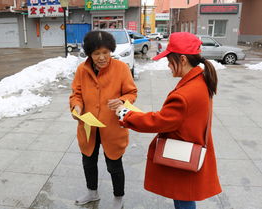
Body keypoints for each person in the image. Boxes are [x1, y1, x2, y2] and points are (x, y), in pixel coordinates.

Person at [115, 32, 222, 209]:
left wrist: (125, 114)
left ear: (182, 59)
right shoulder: (199, 80)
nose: (167, 64)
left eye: (169, 59)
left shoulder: (185, 93)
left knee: (183, 199)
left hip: (182, 153)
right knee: (184, 197)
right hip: (190, 146)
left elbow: (158, 121)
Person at [69, 30, 137, 209]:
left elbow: (131, 93)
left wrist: (122, 101)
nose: (102, 57)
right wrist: (76, 106)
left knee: (114, 164)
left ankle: (118, 196)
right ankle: (92, 192)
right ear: (90, 54)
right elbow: (76, 94)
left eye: (105, 52)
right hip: (88, 126)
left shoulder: (121, 68)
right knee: (88, 161)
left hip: (112, 127)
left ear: (111, 51)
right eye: (97, 53)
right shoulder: (82, 70)